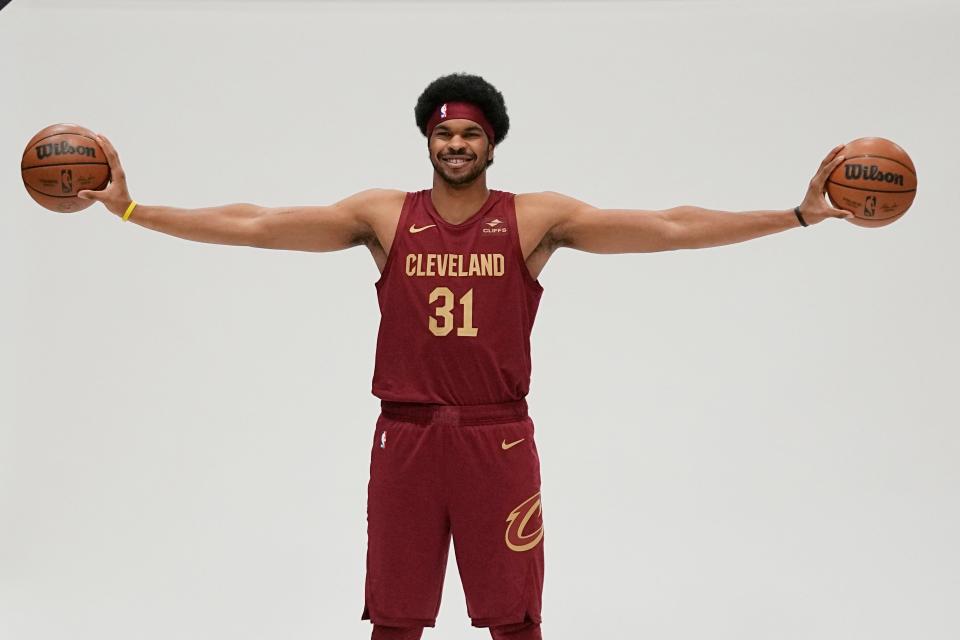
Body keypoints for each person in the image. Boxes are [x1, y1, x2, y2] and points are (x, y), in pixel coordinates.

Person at [77, 72, 853, 640]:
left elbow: (671, 225)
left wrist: (796, 215)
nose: (456, 144)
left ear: (492, 143)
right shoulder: (384, 215)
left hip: (497, 437)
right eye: (444, 133)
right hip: (406, 436)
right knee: (396, 619)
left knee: (515, 619)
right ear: (428, 140)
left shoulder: (534, 219)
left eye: (471, 133)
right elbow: (256, 223)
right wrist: (136, 210)